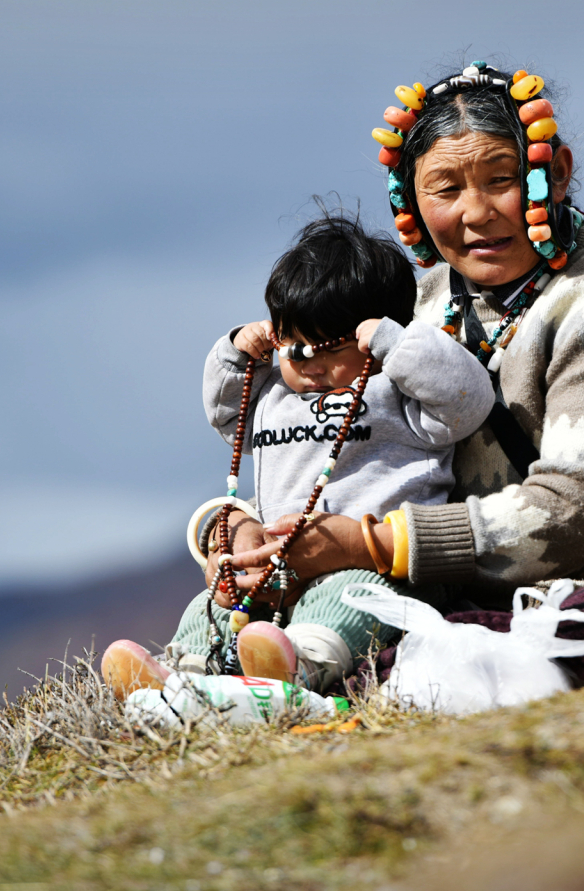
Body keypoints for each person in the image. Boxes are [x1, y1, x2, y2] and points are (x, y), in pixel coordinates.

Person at [224, 61, 584, 645]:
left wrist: (368, 544)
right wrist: (237, 533)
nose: (476, 212)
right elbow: (340, 449)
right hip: (445, 613)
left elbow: (572, 514)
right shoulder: (416, 309)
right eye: (446, 188)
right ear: (409, 197)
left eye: (500, 179)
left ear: (556, 174)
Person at [103, 211, 495, 699]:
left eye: (329, 348)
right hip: (275, 568)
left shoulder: (398, 394)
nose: (310, 365)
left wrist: (395, 341)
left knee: (347, 602)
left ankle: (299, 666)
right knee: (215, 603)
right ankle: (183, 671)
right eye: (294, 347)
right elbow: (223, 410)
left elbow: (467, 398)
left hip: (375, 567)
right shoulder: (272, 394)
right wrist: (235, 351)